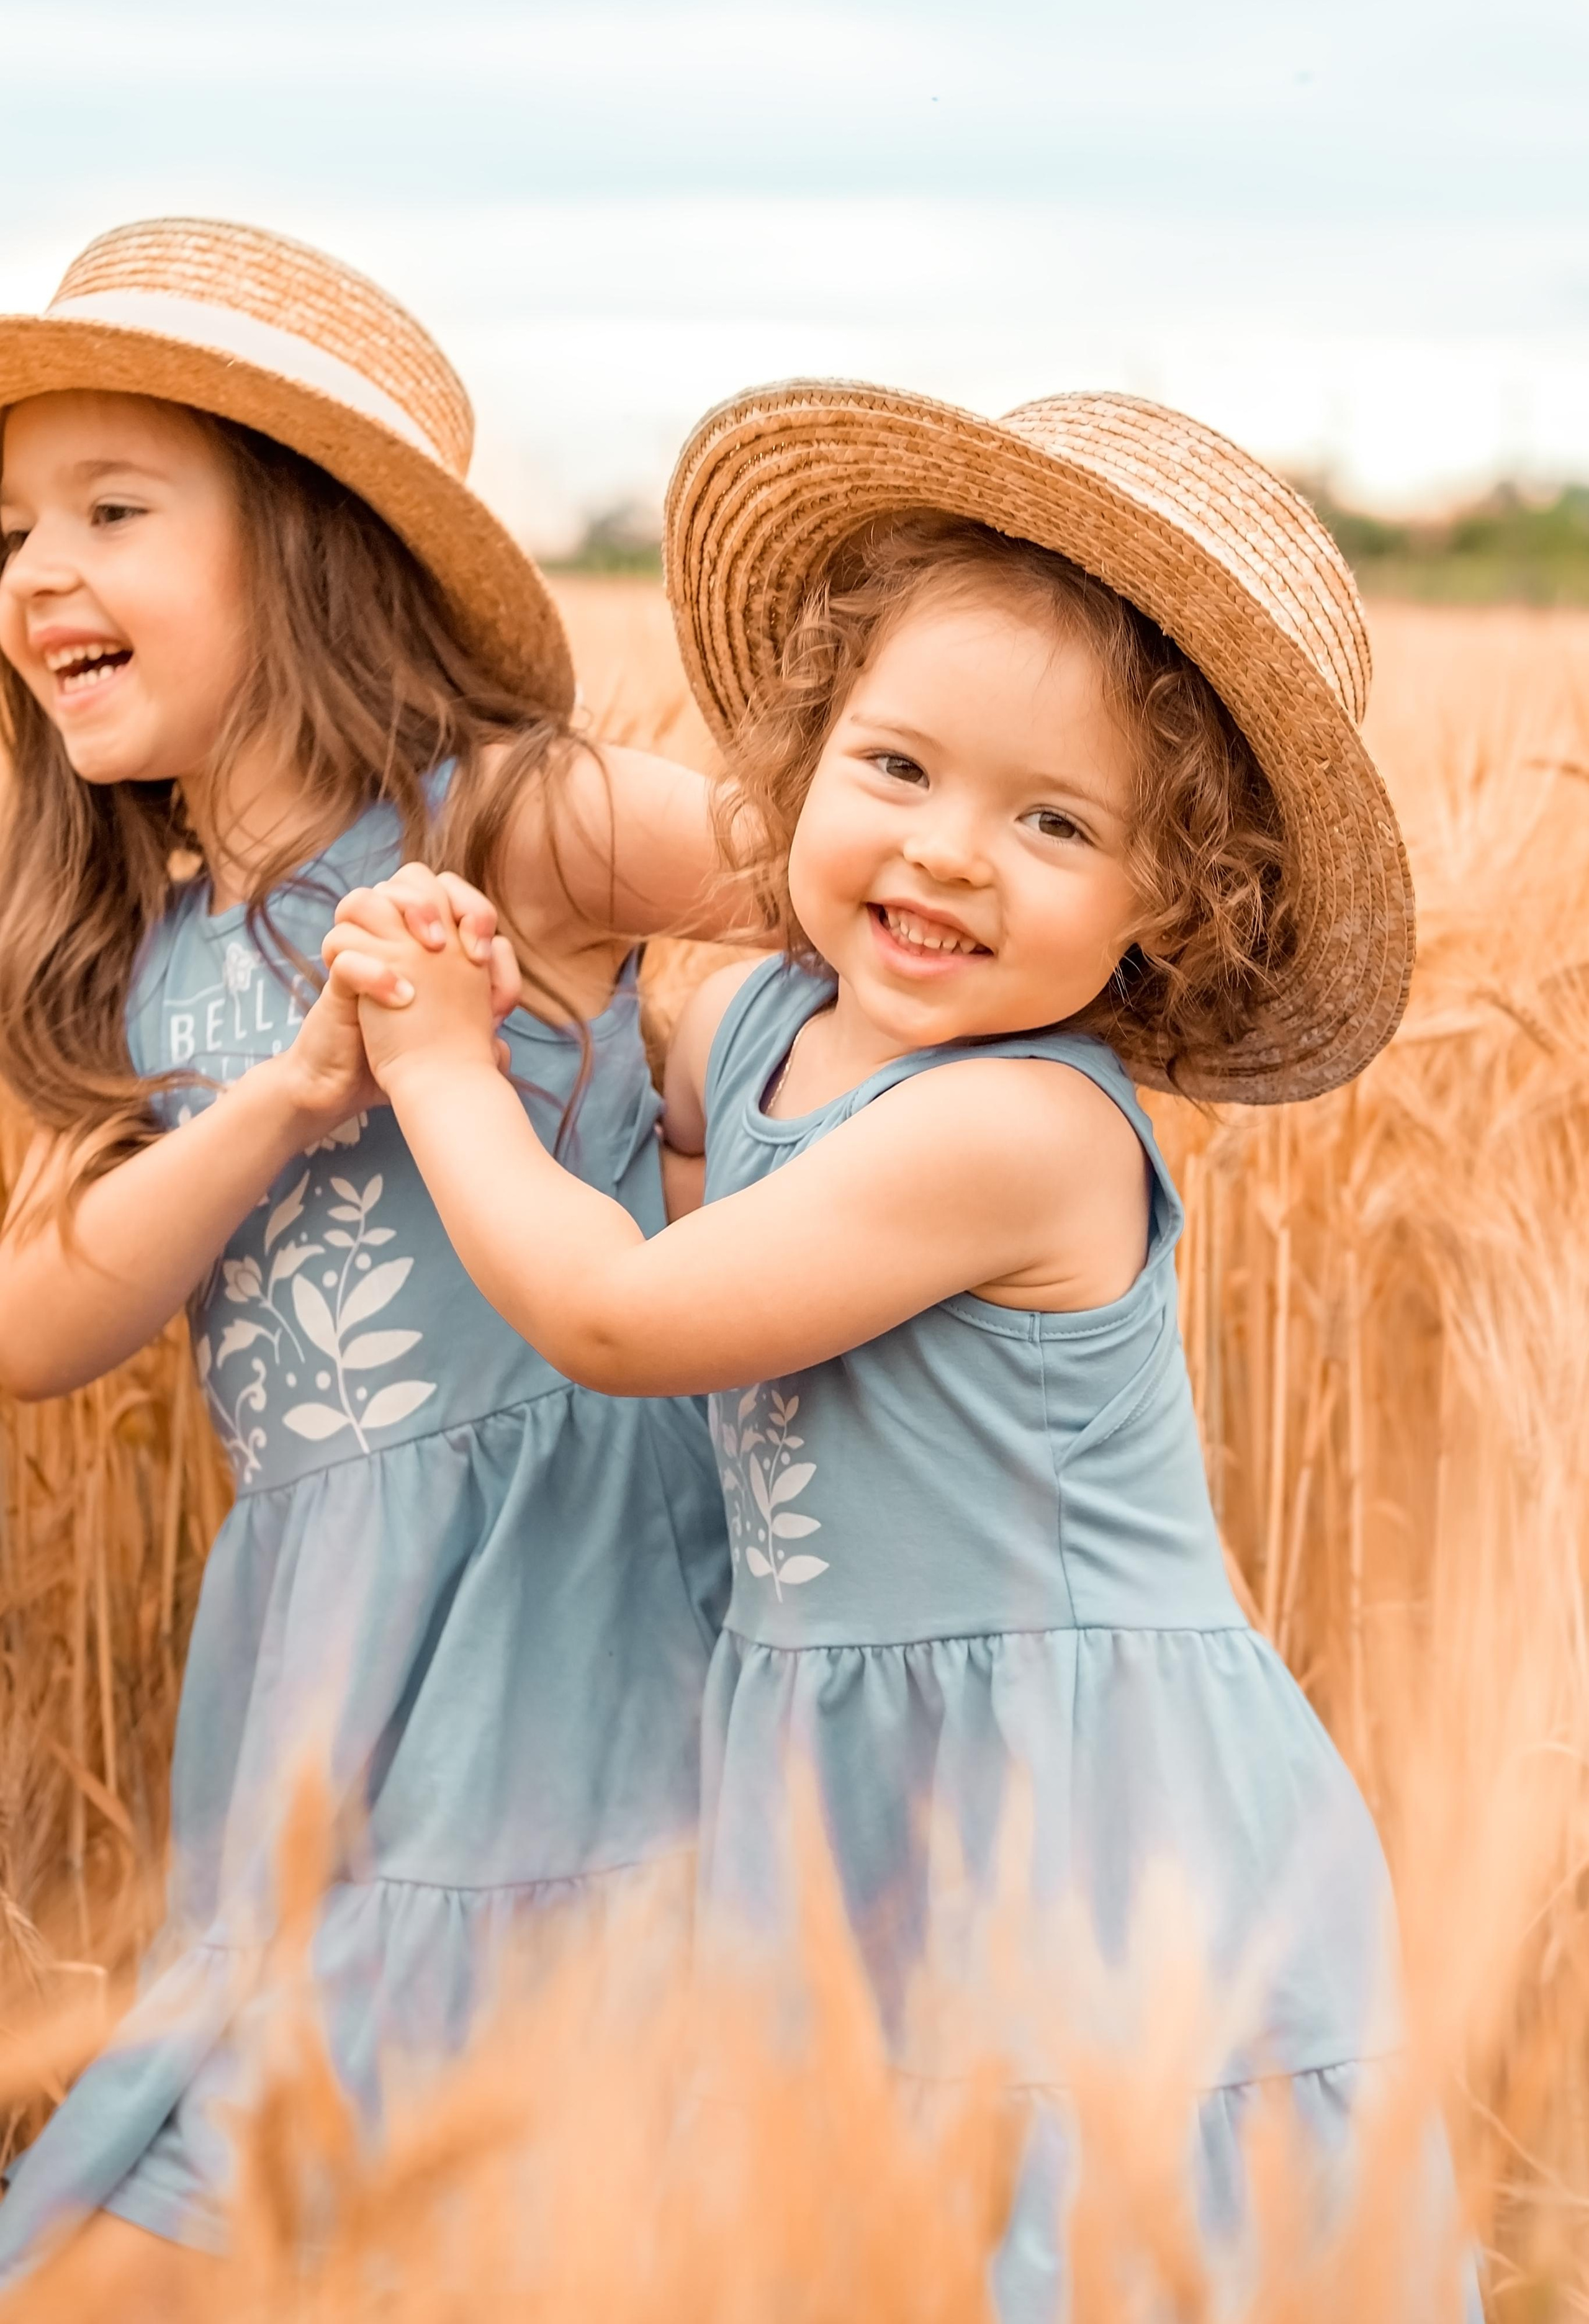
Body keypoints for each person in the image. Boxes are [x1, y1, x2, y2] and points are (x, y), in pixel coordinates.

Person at [325, 382, 1472, 2315]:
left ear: (1164, 904)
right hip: (843, 1763)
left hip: (1081, 1803)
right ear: (804, 759)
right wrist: (468, 932)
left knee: (1061, 2234)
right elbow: (639, 1035)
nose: (949, 855)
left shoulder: (1015, 1132)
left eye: (1054, 820)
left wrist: (440, 1062)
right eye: (898, 767)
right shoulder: (778, 1018)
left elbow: (620, 1314)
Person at [0, 219, 733, 2308]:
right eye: (9, 530)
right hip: (323, 1656)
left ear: (308, 549)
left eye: (115, 511)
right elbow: (36, 1319)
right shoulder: (125, 962)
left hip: (563, 1610)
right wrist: (287, 1098)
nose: (39, 573)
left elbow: (844, 898)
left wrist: (693, 1085)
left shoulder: (518, 823)